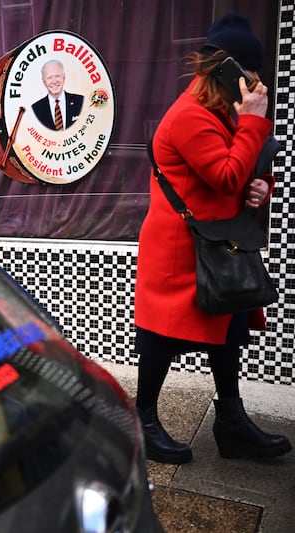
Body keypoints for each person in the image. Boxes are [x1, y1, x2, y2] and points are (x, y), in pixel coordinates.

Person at [133, 12, 292, 464]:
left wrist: (263, 185)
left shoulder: (221, 112)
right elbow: (224, 175)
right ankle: (143, 420)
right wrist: (256, 122)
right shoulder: (189, 116)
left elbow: (239, 171)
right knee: (161, 337)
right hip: (181, 249)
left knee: (228, 327)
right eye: (251, 73)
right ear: (225, 69)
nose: (258, 84)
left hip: (216, 242)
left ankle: (231, 422)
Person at [31, 60, 84, 131]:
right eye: (49, 78)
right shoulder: (35, 109)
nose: (54, 81)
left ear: (64, 78)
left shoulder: (81, 102)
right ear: (44, 82)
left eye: (57, 76)